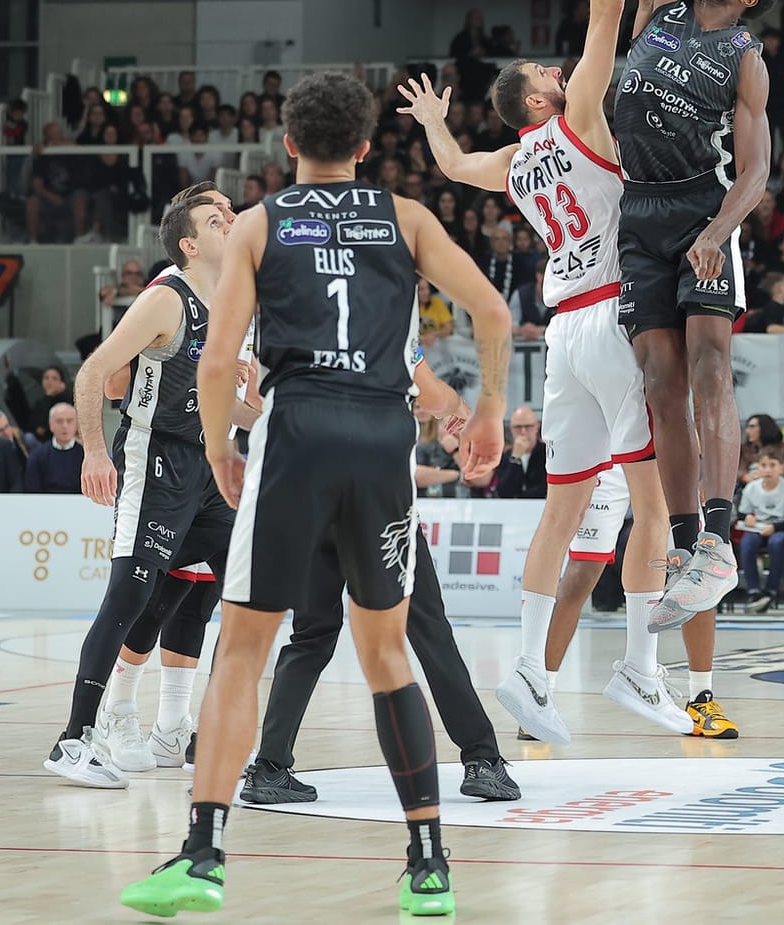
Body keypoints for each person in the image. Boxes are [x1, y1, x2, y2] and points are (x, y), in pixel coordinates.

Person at [118, 73, 510, 918]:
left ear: (289, 144)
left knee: (241, 651)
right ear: (366, 147)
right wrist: (489, 412)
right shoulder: (406, 216)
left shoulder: (261, 223)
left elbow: (216, 362)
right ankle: (429, 864)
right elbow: (493, 313)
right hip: (381, 438)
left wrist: (221, 446)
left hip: (296, 434)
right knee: (387, 655)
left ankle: (203, 855)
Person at [398, 0, 691, 745]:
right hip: (614, 315)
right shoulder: (583, 116)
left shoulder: (515, 161)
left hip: (562, 333)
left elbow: (454, 166)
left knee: (563, 508)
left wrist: (434, 124)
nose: (561, 68)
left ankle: (528, 669)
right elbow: (605, 11)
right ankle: (640, 668)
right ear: (537, 97)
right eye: (545, 70)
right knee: (651, 501)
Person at [575, 0, 776, 707]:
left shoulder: (744, 57)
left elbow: (757, 170)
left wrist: (718, 231)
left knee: (706, 368)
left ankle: (723, 533)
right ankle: (692, 541)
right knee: (658, 383)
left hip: (701, 211)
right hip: (641, 212)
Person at [238, 354, 522, 807]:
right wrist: (457, 408)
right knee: (428, 629)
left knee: (310, 635)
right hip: (378, 496)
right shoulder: (388, 324)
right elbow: (432, 394)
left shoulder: (290, 329)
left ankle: (269, 767)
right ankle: (482, 759)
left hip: (306, 496)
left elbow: (256, 401)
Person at [46, 184, 239, 788]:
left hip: (212, 466)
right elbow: (95, 373)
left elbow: (230, 402)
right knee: (130, 597)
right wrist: (93, 451)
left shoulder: (236, 298)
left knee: (243, 591)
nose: (229, 220)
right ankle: (75, 737)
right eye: (215, 219)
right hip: (156, 458)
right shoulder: (166, 298)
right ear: (190, 245)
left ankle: (192, 727)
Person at [738, 450, 784, 612]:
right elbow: (741, 512)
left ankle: (771, 590)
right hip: (759, 528)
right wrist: (747, 517)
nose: (768, 470)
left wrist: (775, 527)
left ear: (781, 468)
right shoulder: (752, 488)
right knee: (747, 543)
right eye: (763, 465)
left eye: (772, 465)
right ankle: (753, 590)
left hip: (781, 527)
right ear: (758, 468)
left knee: (777, 542)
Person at [22, 404, 84, 494]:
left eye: (69, 421)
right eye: (59, 421)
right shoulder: (37, 456)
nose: (65, 426)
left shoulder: (86, 456)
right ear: (51, 425)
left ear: (77, 425)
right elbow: (32, 488)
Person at [490, 406, 547, 500]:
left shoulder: (547, 454)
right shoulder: (505, 456)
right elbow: (503, 492)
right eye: (518, 427)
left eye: (528, 426)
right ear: (511, 429)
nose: (523, 432)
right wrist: (515, 458)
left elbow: (543, 489)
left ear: (537, 427)